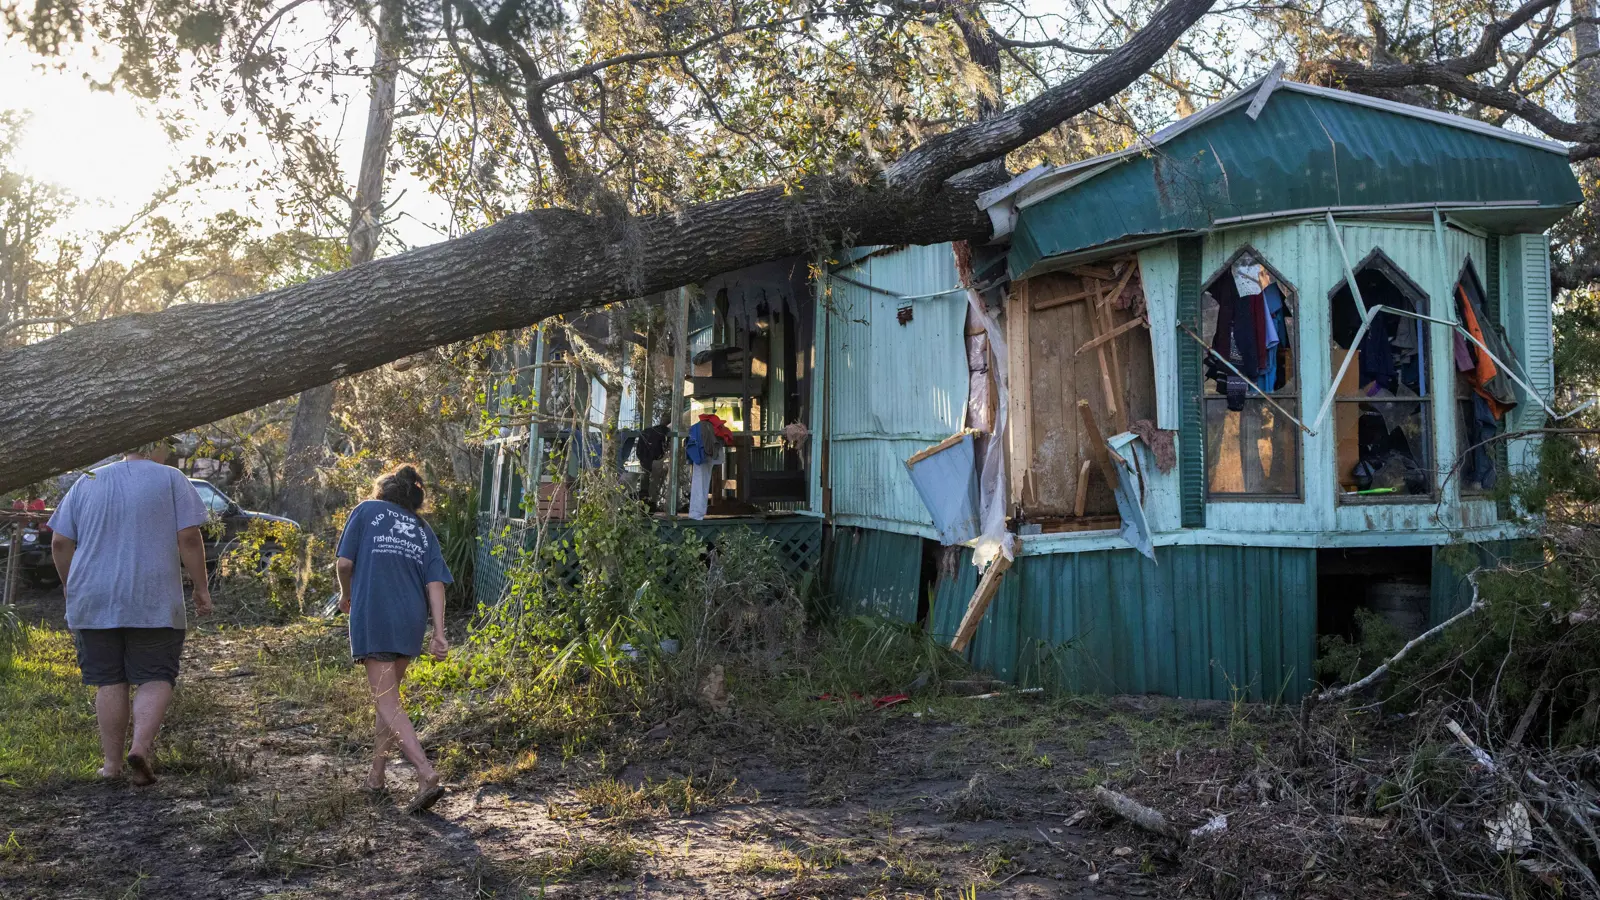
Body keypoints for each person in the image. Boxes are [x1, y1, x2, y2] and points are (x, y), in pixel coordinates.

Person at [48, 439, 213, 787]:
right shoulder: (170, 479)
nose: (169, 453)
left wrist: (68, 584)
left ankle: (111, 765)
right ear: (156, 444)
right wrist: (201, 587)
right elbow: (189, 538)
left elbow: (60, 542)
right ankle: (139, 748)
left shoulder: (87, 480)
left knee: (108, 679)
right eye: (168, 444)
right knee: (155, 674)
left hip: (92, 596)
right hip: (151, 596)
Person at [336, 465, 452, 814]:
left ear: (383, 491)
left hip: (375, 612)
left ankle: (425, 772)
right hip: (410, 619)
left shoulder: (366, 511)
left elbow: (343, 563)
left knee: (387, 701)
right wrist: (439, 633)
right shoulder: (422, 529)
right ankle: (376, 775)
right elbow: (435, 584)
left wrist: (346, 595)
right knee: (389, 699)